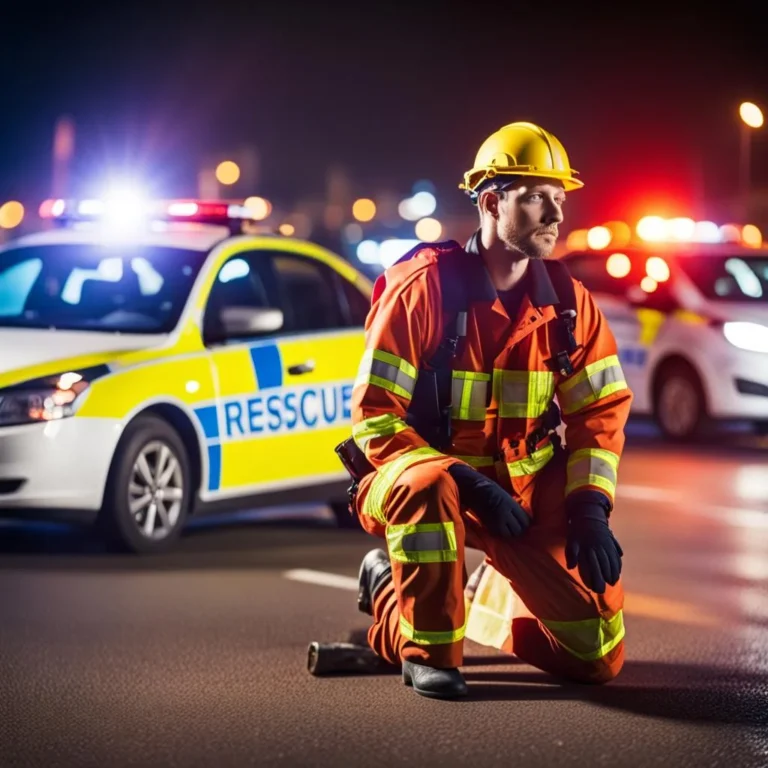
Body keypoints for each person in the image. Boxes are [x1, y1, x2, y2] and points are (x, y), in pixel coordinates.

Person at [347, 121, 632, 699]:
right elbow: (376, 418)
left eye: (558, 199)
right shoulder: (421, 290)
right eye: (535, 198)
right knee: (429, 488)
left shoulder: (571, 306)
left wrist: (589, 507)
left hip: (521, 496)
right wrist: (466, 482)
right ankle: (423, 648)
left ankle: (472, 599)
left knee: (596, 656)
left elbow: (599, 416)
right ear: (491, 201)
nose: (554, 216)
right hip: (423, 483)